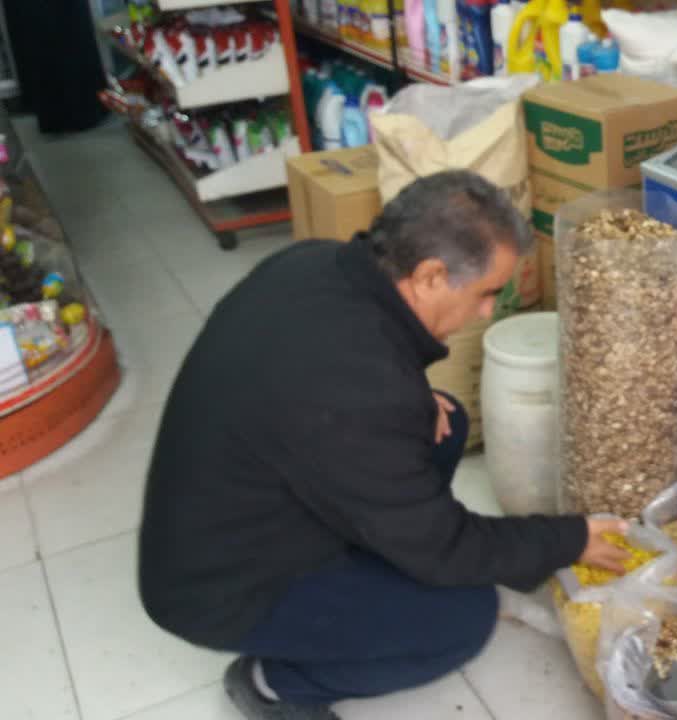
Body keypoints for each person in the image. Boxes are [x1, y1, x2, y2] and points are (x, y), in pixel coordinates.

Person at [138, 171, 631, 720]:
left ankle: (378, 564)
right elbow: (446, 545)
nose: (488, 311)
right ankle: (272, 684)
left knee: (444, 420)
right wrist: (567, 539)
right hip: (218, 585)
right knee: (461, 619)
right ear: (430, 275)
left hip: (238, 508)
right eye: (487, 293)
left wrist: (413, 395)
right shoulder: (362, 393)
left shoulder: (314, 263)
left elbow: (350, 381)